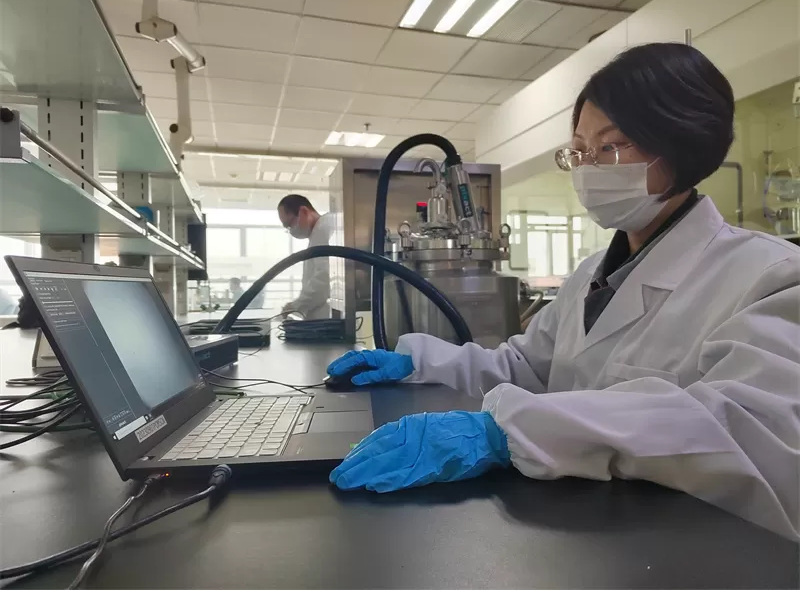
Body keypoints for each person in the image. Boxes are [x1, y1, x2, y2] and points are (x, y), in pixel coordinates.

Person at [326, 43, 800, 541]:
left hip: (699, 546)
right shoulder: (590, 272)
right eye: (578, 151)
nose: (587, 168)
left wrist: (508, 431)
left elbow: (746, 429)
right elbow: (527, 367)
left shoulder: (771, 275)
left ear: (682, 144)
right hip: (588, 531)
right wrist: (418, 362)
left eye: (610, 146)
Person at [277, 194, 333, 319]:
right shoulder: (318, 233)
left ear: (303, 211)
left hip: (325, 320)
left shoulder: (322, 230)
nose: (291, 230)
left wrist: (296, 305)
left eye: (290, 224)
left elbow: (324, 278)